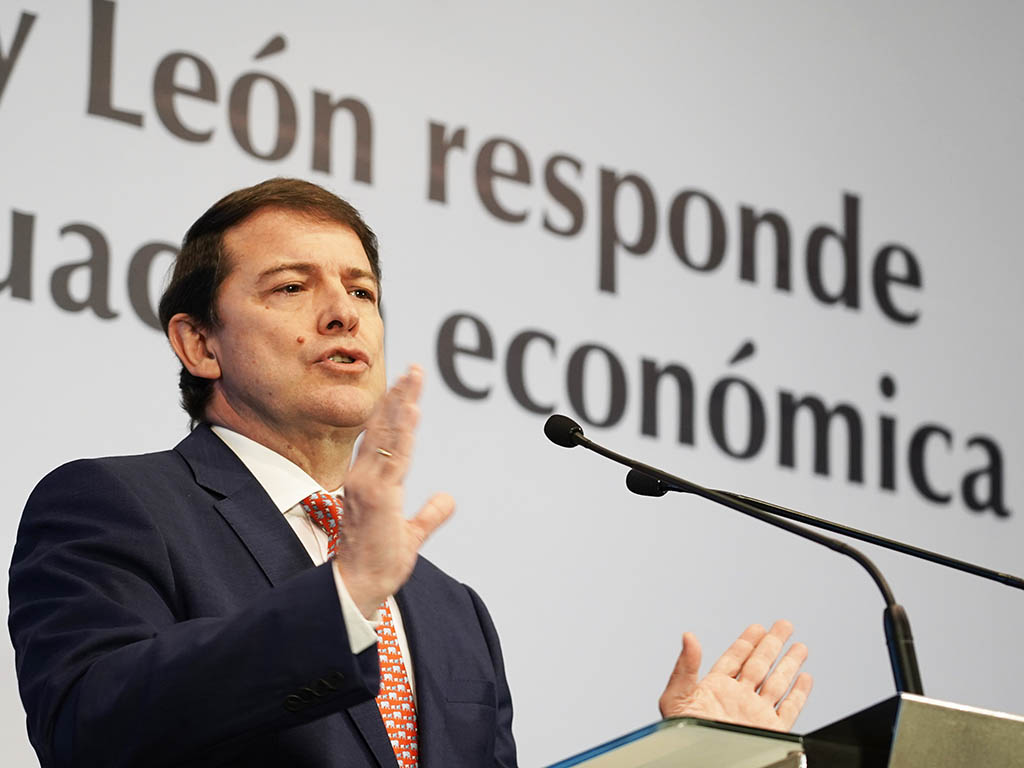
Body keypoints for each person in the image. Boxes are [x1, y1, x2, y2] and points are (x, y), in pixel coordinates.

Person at [8, 178, 812, 767]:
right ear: (199, 344)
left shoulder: (450, 610)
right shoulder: (115, 506)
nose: (343, 312)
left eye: (361, 290)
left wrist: (684, 762)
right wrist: (344, 598)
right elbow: (89, 725)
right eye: (293, 287)